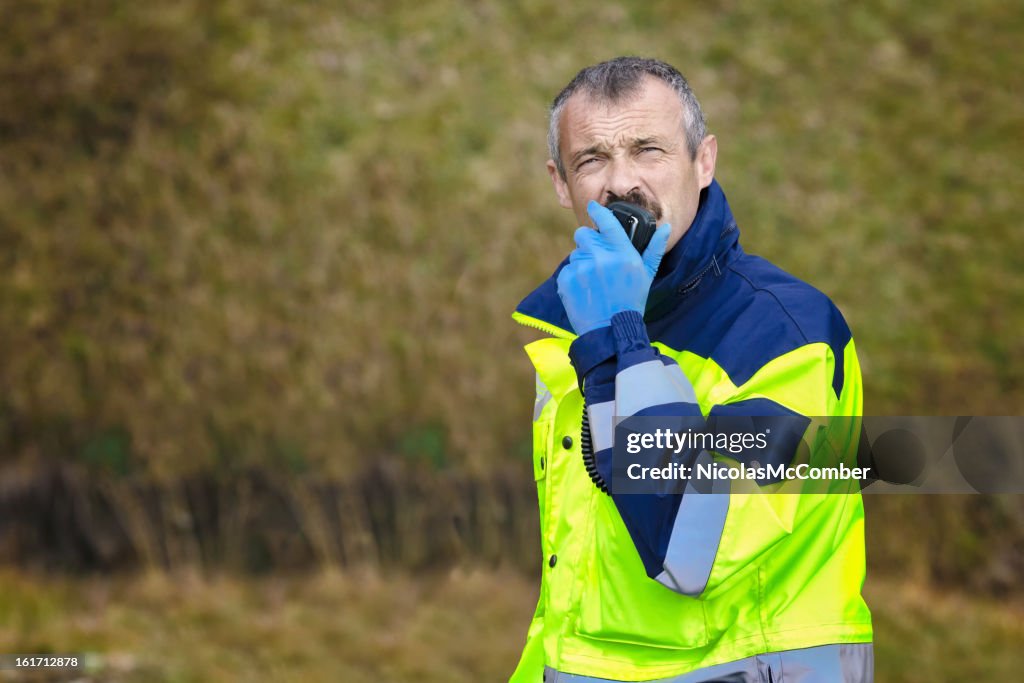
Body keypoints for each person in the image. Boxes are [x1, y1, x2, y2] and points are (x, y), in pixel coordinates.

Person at [510, 57, 873, 682]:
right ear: (560, 184)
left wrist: (615, 340)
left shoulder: (786, 334)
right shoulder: (567, 326)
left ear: (704, 162)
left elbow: (687, 544)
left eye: (648, 150)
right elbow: (573, 588)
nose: (622, 183)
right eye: (591, 159)